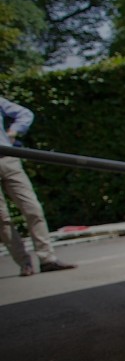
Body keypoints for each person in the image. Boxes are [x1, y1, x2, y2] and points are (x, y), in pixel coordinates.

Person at [0, 96, 75, 276]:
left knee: (32, 208)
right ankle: (24, 263)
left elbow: (24, 113)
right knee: (2, 219)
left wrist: (13, 132)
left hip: (7, 158)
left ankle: (47, 258)